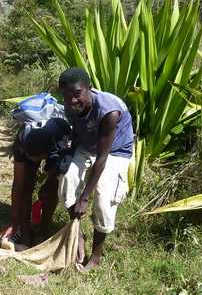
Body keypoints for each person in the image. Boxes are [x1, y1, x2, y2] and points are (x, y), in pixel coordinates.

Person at [57, 67, 134, 271]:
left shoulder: (109, 110)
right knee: (68, 178)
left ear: (89, 88)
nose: (72, 100)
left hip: (114, 150)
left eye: (77, 94)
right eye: (66, 96)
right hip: (87, 145)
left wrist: (84, 198)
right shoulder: (70, 106)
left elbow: (102, 157)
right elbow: (76, 132)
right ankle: (77, 237)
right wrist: (68, 156)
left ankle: (96, 255)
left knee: (103, 196)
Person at [0, 117, 71, 246]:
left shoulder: (59, 143)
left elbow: (55, 176)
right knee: (26, 185)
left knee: (50, 191)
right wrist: (14, 222)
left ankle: (43, 228)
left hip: (58, 143)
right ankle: (24, 227)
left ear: (46, 153)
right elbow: (18, 185)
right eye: (30, 157)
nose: (33, 160)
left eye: (36, 158)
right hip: (32, 146)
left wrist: (48, 185)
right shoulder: (21, 142)